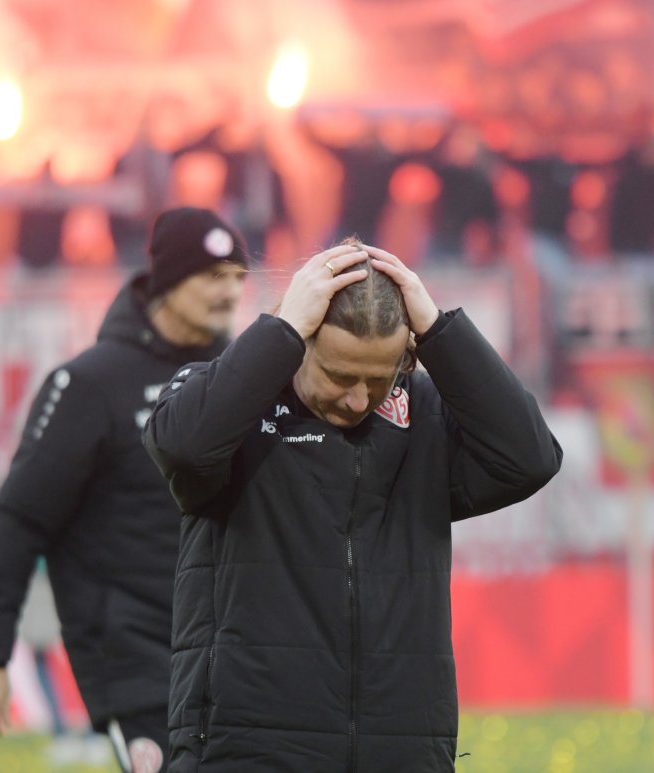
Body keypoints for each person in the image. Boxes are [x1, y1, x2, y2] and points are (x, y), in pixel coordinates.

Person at [143, 240, 563, 771]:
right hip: (245, 753)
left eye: (380, 377)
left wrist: (438, 330)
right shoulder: (226, 408)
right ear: (300, 342)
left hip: (404, 753)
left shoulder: (426, 416)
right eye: (341, 376)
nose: (359, 399)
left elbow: (530, 458)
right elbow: (182, 446)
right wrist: (281, 328)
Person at [0, 206, 249, 773]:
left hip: (243, 651)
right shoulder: (90, 384)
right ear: (167, 281)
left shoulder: (243, 373)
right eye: (211, 276)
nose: (228, 293)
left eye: (238, 277)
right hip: (138, 662)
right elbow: (19, 519)